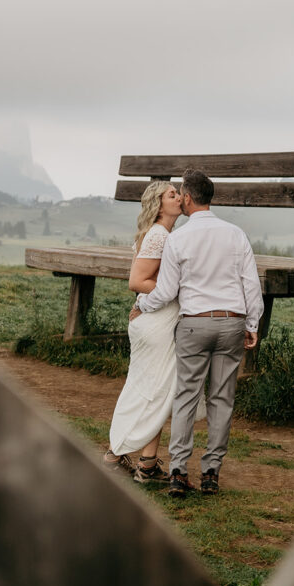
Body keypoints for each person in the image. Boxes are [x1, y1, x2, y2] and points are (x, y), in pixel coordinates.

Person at [131, 168, 264, 497]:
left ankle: (177, 471)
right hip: (231, 322)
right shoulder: (236, 234)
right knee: (222, 399)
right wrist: (251, 325)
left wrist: (142, 306)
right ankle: (211, 474)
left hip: (194, 324)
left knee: (186, 397)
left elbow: (165, 290)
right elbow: (251, 286)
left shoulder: (179, 238)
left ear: (188, 199)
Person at [103, 180, 183, 483]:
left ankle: (147, 465)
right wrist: (177, 292)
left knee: (158, 391)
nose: (178, 197)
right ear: (159, 204)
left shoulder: (163, 234)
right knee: (148, 392)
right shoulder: (159, 235)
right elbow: (137, 281)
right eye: (172, 195)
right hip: (156, 324)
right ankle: (113, 454)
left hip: (156, 321)